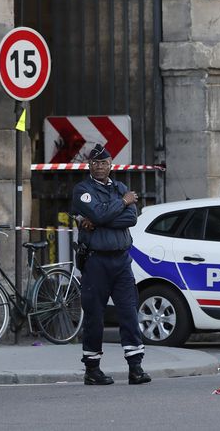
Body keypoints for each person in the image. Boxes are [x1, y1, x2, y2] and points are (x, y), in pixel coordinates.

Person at [71, 144, 151, 386]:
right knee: (95, 315)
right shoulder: (83, 190)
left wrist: (104, 215)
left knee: (128, 311)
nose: (99, 166)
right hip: (96, 261)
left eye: (104, 162)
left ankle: (135, 367)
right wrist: (122, 204)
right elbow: (98, 215)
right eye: (95, 163)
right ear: (89, 166)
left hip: (121, 260)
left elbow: (131, 218)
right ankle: (92, 369)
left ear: (111, 165)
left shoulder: (120, 188)